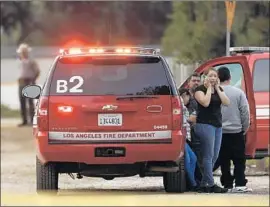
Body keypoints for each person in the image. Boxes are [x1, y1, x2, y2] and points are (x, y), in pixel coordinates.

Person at [193, 67, 230, 193]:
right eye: (210, 76)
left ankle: (204, 183)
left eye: (215, 76)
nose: (213, 78)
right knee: (208, 156)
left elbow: (226, 102)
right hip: (205, 124)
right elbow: (205, 103)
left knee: (214, 155)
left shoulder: (218, 89)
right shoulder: (199, 90)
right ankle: (210, 183)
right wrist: (209, 88)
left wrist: (218, 89)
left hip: (217, 125)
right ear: (205, 77)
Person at [217, 67, 252, 193]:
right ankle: (240, 183)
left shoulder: (215, 93)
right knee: (239, 160)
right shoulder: (238, 93)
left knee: (224, 160)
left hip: (220, 133)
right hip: (236, 132)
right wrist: (244, 128)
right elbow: (245, 112)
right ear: (230, 77)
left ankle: (227, 184)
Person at [179, 88, 199, 192]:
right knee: (188, 159)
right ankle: (193, 184)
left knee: (193, 158)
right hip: (182, 137)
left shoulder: (184, 106)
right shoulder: (180, 105)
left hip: (186, 138)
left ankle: (191, 182)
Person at [16, 43, 40, 127]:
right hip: (21, 82)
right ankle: (24, 120)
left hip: (29, 81)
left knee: (30, 102)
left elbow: (37, 71)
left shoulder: (32, 61)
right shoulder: (19, 60)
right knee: (22, 102)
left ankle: (32, 120)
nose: (22, 53)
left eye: (24, 51)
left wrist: (33, 80)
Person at [185, 73, 203, 181]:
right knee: (190, 160)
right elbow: (190, 117)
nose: (196, 82)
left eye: (198, 80)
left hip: (198, 133)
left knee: (199, 159)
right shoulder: (184, 95)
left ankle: (199, 181)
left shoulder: (201, 95)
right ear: (189, 83)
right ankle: (191, 182)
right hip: (187, 135)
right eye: (194, 80)